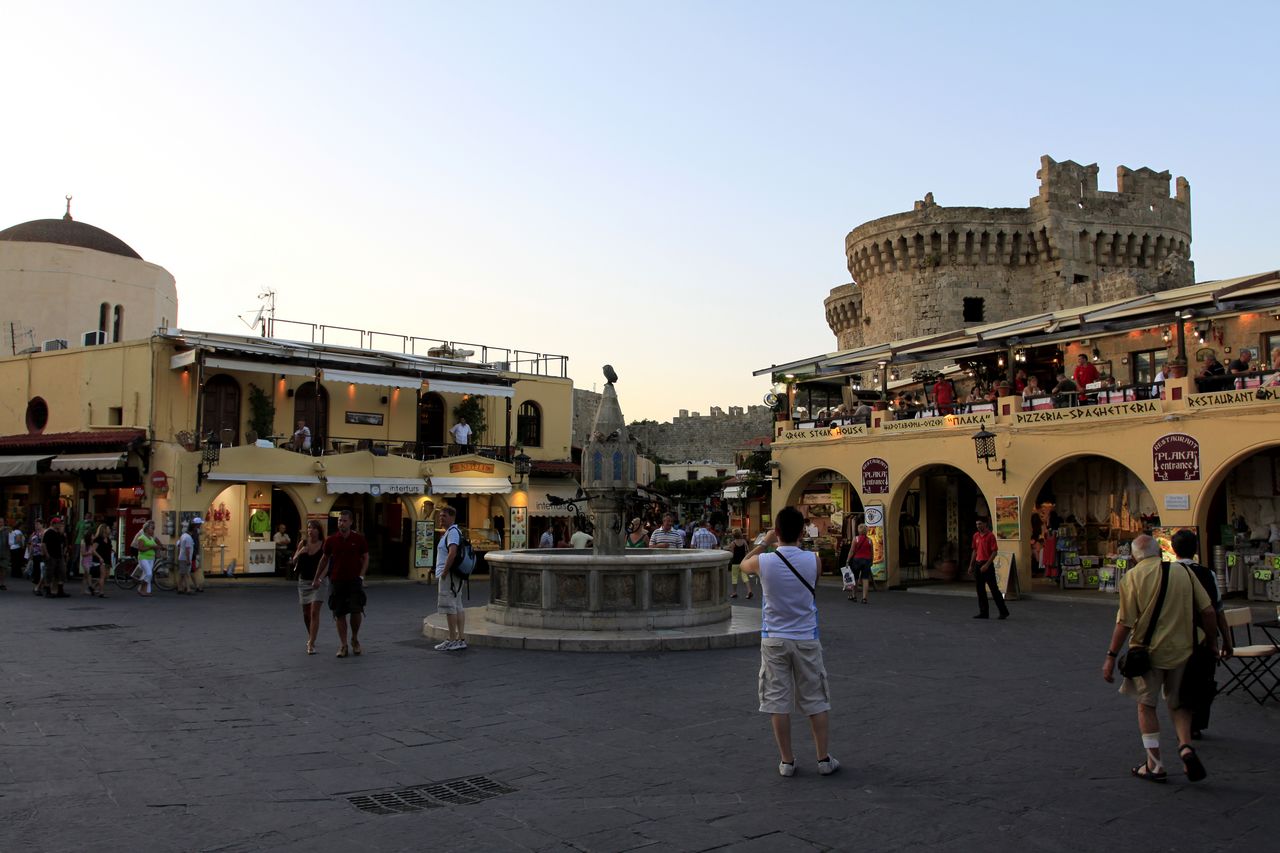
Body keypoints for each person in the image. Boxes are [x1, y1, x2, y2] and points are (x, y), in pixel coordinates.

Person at [1102, 534, 1217, 783]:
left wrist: (1111, 656)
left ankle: (1154, 764)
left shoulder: (1132, 577)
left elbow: (1124, 623)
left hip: (1148, 652)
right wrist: (1212, 643)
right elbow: (1208, 611)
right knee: (1179, 703)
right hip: (1185, 649)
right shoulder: (1184, 573)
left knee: (1147, 705)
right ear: (1159, 552)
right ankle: (1185, 746)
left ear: (1134, 556)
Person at [739, 506, 839, 778]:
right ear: (802, 531)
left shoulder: (765, 562)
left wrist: (765, 542)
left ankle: (787, 761)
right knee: (816, 699)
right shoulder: (814, 561)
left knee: (777, 702)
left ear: (778, 531)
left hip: (774, 639)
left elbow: (742, 564)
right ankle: (823, 759)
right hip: (806, 636)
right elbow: (813, 585)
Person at [1169, 529, 1233, 740]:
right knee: (1203, 681)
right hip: (1202, 638)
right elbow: (1216, 610)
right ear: (1195, 549)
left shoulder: (1166, 573)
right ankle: (1195, 724)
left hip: (1173, 636)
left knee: (1176, 683)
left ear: (1173, 549)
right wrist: (1225, 640)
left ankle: (1181, 723)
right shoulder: (1208, 574)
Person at [312, 509, 368, 658]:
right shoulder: (331, 540)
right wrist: (317, 578)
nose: (341, 523)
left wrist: (361, 576)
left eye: (344, 520)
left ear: (350, 522)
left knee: (356, 611)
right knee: (339, 613)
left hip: (354, 580)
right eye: (339, 521)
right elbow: (324, 559)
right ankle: (343, 644)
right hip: (337, 580)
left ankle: (355, 638)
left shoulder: (358, 539)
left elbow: (366, 557)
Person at [433, 506, 467, 651]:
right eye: (440, 516)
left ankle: (452, 639)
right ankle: (460, 639)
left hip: (450, 576)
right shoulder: (452, 532)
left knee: (449, 607)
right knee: (457, 605)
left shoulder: (452, 533)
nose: (441, 518)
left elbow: (452, 553)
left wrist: (445, 572)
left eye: (444, 516)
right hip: (455, 575)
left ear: (452, 517)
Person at [293, 520, 327, 655]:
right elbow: (294, 560)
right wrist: (301, 552)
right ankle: (311, 636)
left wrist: (319, 579)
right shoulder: (303, 543)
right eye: (308, 528)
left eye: (313, 528)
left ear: (319, 530)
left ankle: (311, 643)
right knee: (306, 614)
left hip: (319, 581)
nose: (310, 531)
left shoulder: (324, 545)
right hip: (304, 581)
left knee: (314, 612)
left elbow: (327, 564)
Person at [968, 518, 1008, 619]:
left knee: (994, 589)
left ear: (985, 524)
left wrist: (987, 565)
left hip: (987, 564)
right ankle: (984, 612)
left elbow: (994, 552)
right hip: (978, 563)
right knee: (980, 590)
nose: (978, 526)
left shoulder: (990, 536)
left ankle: (1003, 612)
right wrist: (971, 565)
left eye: (980, 524)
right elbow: (974, 551)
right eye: (977, 524)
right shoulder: (975, 536)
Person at [845, 523, 873, 604]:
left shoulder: (856, 539)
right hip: (867, 560)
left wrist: (847, 560)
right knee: (865, 579)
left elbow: (852, 551)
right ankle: (864, 598)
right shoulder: (869, 540)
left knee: (855, 578)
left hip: (857, 560)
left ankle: (854, 595)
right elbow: (872, 552)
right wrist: (871, 561)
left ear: (859, 530)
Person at [42, 517, 69, 598]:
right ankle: (47, 591)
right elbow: (43, 544)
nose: (59, 525)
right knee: (49, 573)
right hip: (51, 555)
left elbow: (63, 543)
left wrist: (62, 533)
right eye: (58, 523)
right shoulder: (48, 532)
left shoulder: (59, 533)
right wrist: (46, 554)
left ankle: (60, 590)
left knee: (62, 572)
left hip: (59, 555)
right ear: (53, 524)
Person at [131, 519, 159, 597]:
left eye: (153, 529)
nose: (153, 530)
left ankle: (146, 591)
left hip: (151, 558)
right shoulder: (142, 537)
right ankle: (141, 588)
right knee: (149, 573)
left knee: (147, 574)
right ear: (146, 529)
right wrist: (151, 547)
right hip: (143, 558)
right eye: (152, 528)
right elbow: (141, 549)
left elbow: (156, 544)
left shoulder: (151, 538)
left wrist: (158, 548)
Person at [725, 527, 751, 598]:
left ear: (733, 535)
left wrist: (728, 549)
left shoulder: (733, 543)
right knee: (745, 576)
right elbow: (747, 551)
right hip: (742, 562)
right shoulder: (744, 541)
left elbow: (732, 554)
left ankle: (734, 592)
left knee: (734, 577)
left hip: (735, 563)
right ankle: (749, 591)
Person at [90, 523, 113, 598]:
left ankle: (93, 587)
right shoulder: (98, 539)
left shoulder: (108, 539)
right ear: (104, 529)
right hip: (100, 560)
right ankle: (101, 592)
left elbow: (107, 548)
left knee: (106, 576)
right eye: (108, 528)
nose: (109, 529)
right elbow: (93, 550)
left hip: (107, 559)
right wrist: (99, 557)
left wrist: (113, 551)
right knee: (102, 576)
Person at [176, 520, 199, 595]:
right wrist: (188, 559)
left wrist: (180, 554)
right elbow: (187, 549)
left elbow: (179, 545)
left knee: (182, 574)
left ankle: (180, 588)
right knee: (186, 574)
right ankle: (187, 589)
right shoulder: (189, 538)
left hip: (181, 557)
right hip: (185, 558)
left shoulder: (183, 536)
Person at [27, 519, 45, 594]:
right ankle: (37, 587)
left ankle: (39, 587)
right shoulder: (33, 534)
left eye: (38, 524)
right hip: (35, 555)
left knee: (42, 571)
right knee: (36, 571)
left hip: (42, 554)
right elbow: (30, 544)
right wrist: (30, 555)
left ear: (42, 524)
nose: (36, 526)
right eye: (35, 524)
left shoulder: (44, 533)